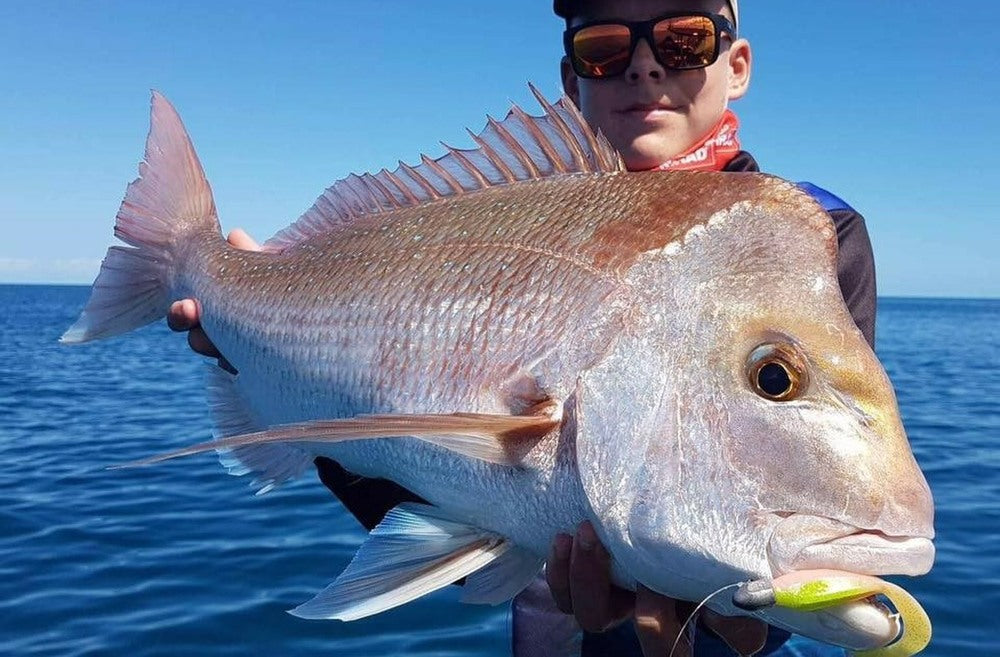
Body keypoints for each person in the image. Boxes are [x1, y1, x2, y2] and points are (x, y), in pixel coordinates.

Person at [168, 1, 877, 655]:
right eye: (605, 47)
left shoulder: (809, 233)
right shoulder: (511, 203)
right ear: (572, 78)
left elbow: (802, 473)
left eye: (683, 39)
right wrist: (259, 352)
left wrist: (745, 627)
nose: (645, 65)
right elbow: (431, 486)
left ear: (738, 63)